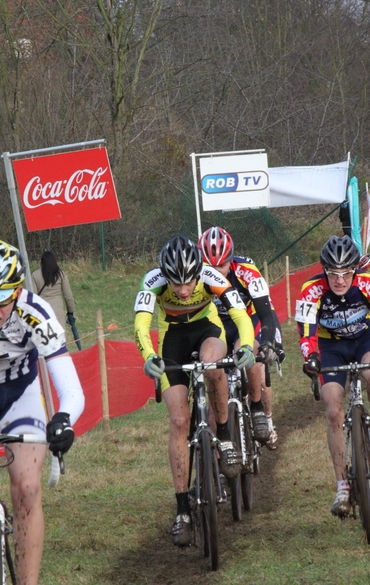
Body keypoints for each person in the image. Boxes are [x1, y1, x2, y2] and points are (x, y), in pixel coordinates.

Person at [133, 234, 255, 547]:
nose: (184, 290)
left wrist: (248, 346)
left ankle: (225, 436)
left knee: (213, 365)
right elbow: (141, 324)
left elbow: (240, 314)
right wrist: (149, 357)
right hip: (172, 338)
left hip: (207, 331)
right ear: (166, 276)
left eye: (188, 282)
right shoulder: (153, 281)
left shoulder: (210, 275)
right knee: (178, 421)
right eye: (177, 284)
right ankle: (182, 510)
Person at [296, 234, 370, 519]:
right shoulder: (311, 290)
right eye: (333, 273)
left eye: (345, 273)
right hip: (331, 348)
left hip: (364, 341)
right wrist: (311, 357)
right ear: (324, 270)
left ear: (355, 270)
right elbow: (306, 332)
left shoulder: (368, 283)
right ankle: (342, 485)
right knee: (332, 410)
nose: (339, 280)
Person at [0, 240, 85, 585]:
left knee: (28, 488)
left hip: (20, 394)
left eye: (2, 302)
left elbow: (70, 386)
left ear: (17, 291)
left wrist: (63, 420)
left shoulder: (34, 310)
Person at [198, 226, 285, 449]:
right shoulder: (196, 276)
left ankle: (262, 413)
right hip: (217, 326)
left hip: (248, 318)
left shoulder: (247, 270)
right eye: (211, 267)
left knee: (250, 355)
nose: (216, 273)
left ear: (231, 260)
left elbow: (266, 313)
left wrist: (269, 343)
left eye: (222, 265)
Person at [32, 250, 75, 331]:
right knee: (60, 338)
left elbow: (33, 297)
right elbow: (68, 296)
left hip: (42, 312)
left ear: (42, 262)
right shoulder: (61, 275)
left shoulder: (35, 275)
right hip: (58, 311)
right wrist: (70, 311)